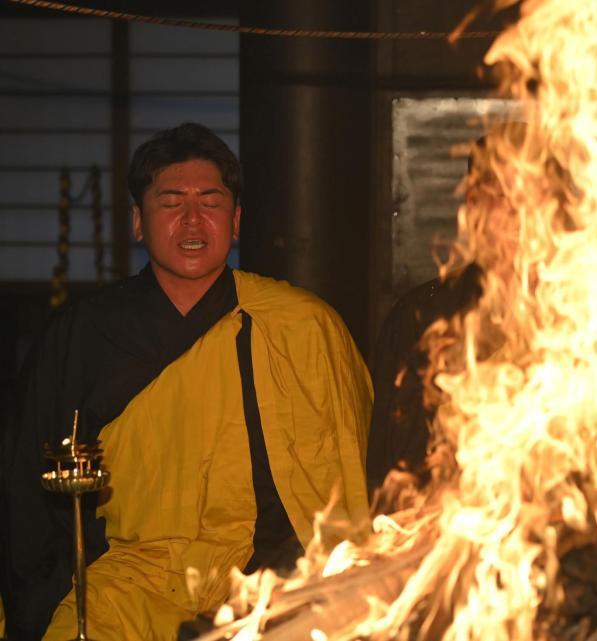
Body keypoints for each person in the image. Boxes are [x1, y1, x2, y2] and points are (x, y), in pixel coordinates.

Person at [0, 123, 372, 640]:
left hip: (268, 581)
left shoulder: (300, 327)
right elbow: (30, 494)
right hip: (132, 579)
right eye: (171, 202)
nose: (193, 220)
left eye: (211, 203)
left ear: (236, 220)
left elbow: (344, 483)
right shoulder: (83, 334)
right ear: (137, 221)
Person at [366, 126, 522, 502]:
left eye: (532, 195)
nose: (519, 211)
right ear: (473, 203)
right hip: (452, 530)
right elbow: (393, 464)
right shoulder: (422, 318)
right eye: (502, 193)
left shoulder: (585, 321)